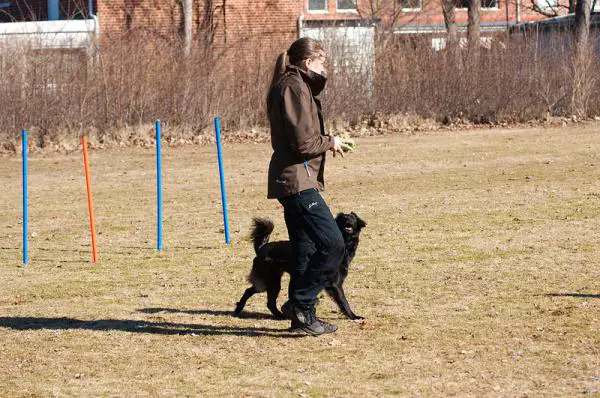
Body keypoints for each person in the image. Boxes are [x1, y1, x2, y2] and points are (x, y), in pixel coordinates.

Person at [266, 37, 352, 336]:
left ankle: (301, 316)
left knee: (305, 249)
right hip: (297, 180)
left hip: (298, 178)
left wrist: (328, 142)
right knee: (333, 244)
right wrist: (331, 142)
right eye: (322, 61)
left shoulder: (295, 86)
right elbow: (303, 142)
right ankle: (301, 305)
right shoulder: (293, 88)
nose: (325, 67)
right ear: (308, 62)